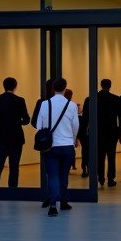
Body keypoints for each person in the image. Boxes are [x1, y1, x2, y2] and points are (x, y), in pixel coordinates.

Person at [34, 76, 79, 215]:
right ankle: (64, 202)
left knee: (53, 175)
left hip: (51, 146)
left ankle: (53, 206)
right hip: (67, 145)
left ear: (53, 88)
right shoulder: (72, 105)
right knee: (64, 175)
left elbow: (39, 126)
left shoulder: (45, 104)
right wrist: (73, 139)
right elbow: (76, 125)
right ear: (65, 89)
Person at [0, 77, 30, 189]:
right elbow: (26, 120)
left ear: (4, 86)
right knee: (14, 167)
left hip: (0, 138)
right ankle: (12, 191)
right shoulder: (20, 100)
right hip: (16, 138)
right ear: (15, 87)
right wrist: (18, 121)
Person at [90, 79, 121, 188]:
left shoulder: (93, 98)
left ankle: (101, 178)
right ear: (110, 86)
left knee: (100, 156)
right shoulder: (116, 99)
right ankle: (111, 179)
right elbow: (119, 117)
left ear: (101, 85)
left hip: (98, 132)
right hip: (112, 132)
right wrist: (120, 131)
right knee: (111, 156)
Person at [31, 79, 55, 208]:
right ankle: (61, 198)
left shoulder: (41, 102)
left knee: (49, 172)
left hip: (47, 141)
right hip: (62, 141)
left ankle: (50, 197)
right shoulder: (66, 103)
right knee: (61, 172)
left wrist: (44, 129)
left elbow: (34, 122)